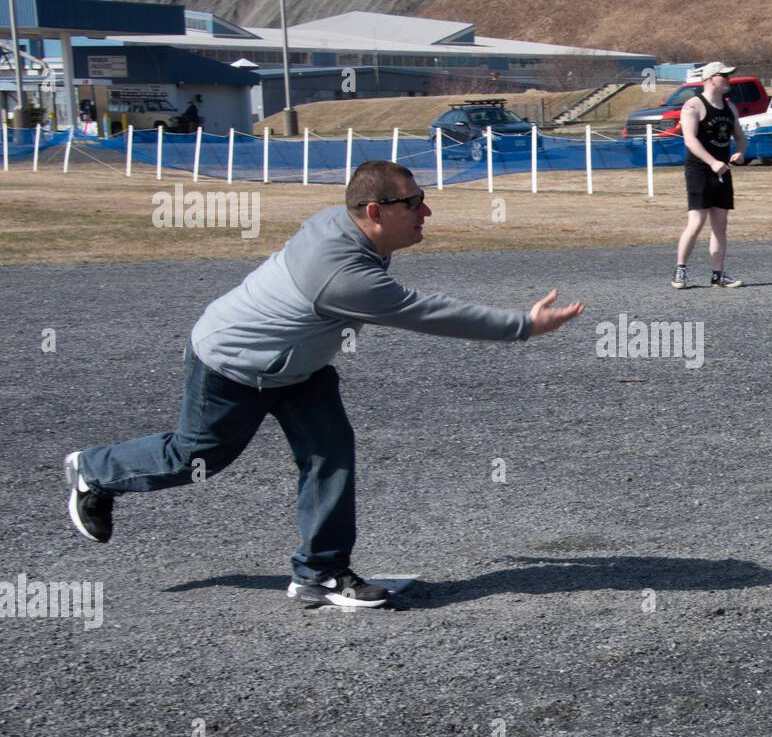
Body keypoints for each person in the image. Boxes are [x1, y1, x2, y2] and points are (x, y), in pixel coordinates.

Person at [63, 161, 584, 608]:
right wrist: (523, 324)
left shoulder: (346, 224)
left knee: (330, 453)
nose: (426, 211)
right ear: (376, 212)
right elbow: (427, 313)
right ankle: (94, 470)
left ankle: (320, 574)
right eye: (416, 202)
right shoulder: (344, 276)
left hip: (298, 369)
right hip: (233, 364)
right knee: (195, 458)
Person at [672, 61, 748, 289]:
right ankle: (680, 271)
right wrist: (712, 162)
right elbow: (690, 140)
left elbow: (740, 136)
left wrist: (741, 153)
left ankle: (718, 274)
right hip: (699, 170)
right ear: (709, 78)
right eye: (723, 76)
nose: (728, 79)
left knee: (720, 224)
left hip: (722, 170)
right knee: (696, 222)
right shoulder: (693, 106)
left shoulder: (730, 107)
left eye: (728, 75)